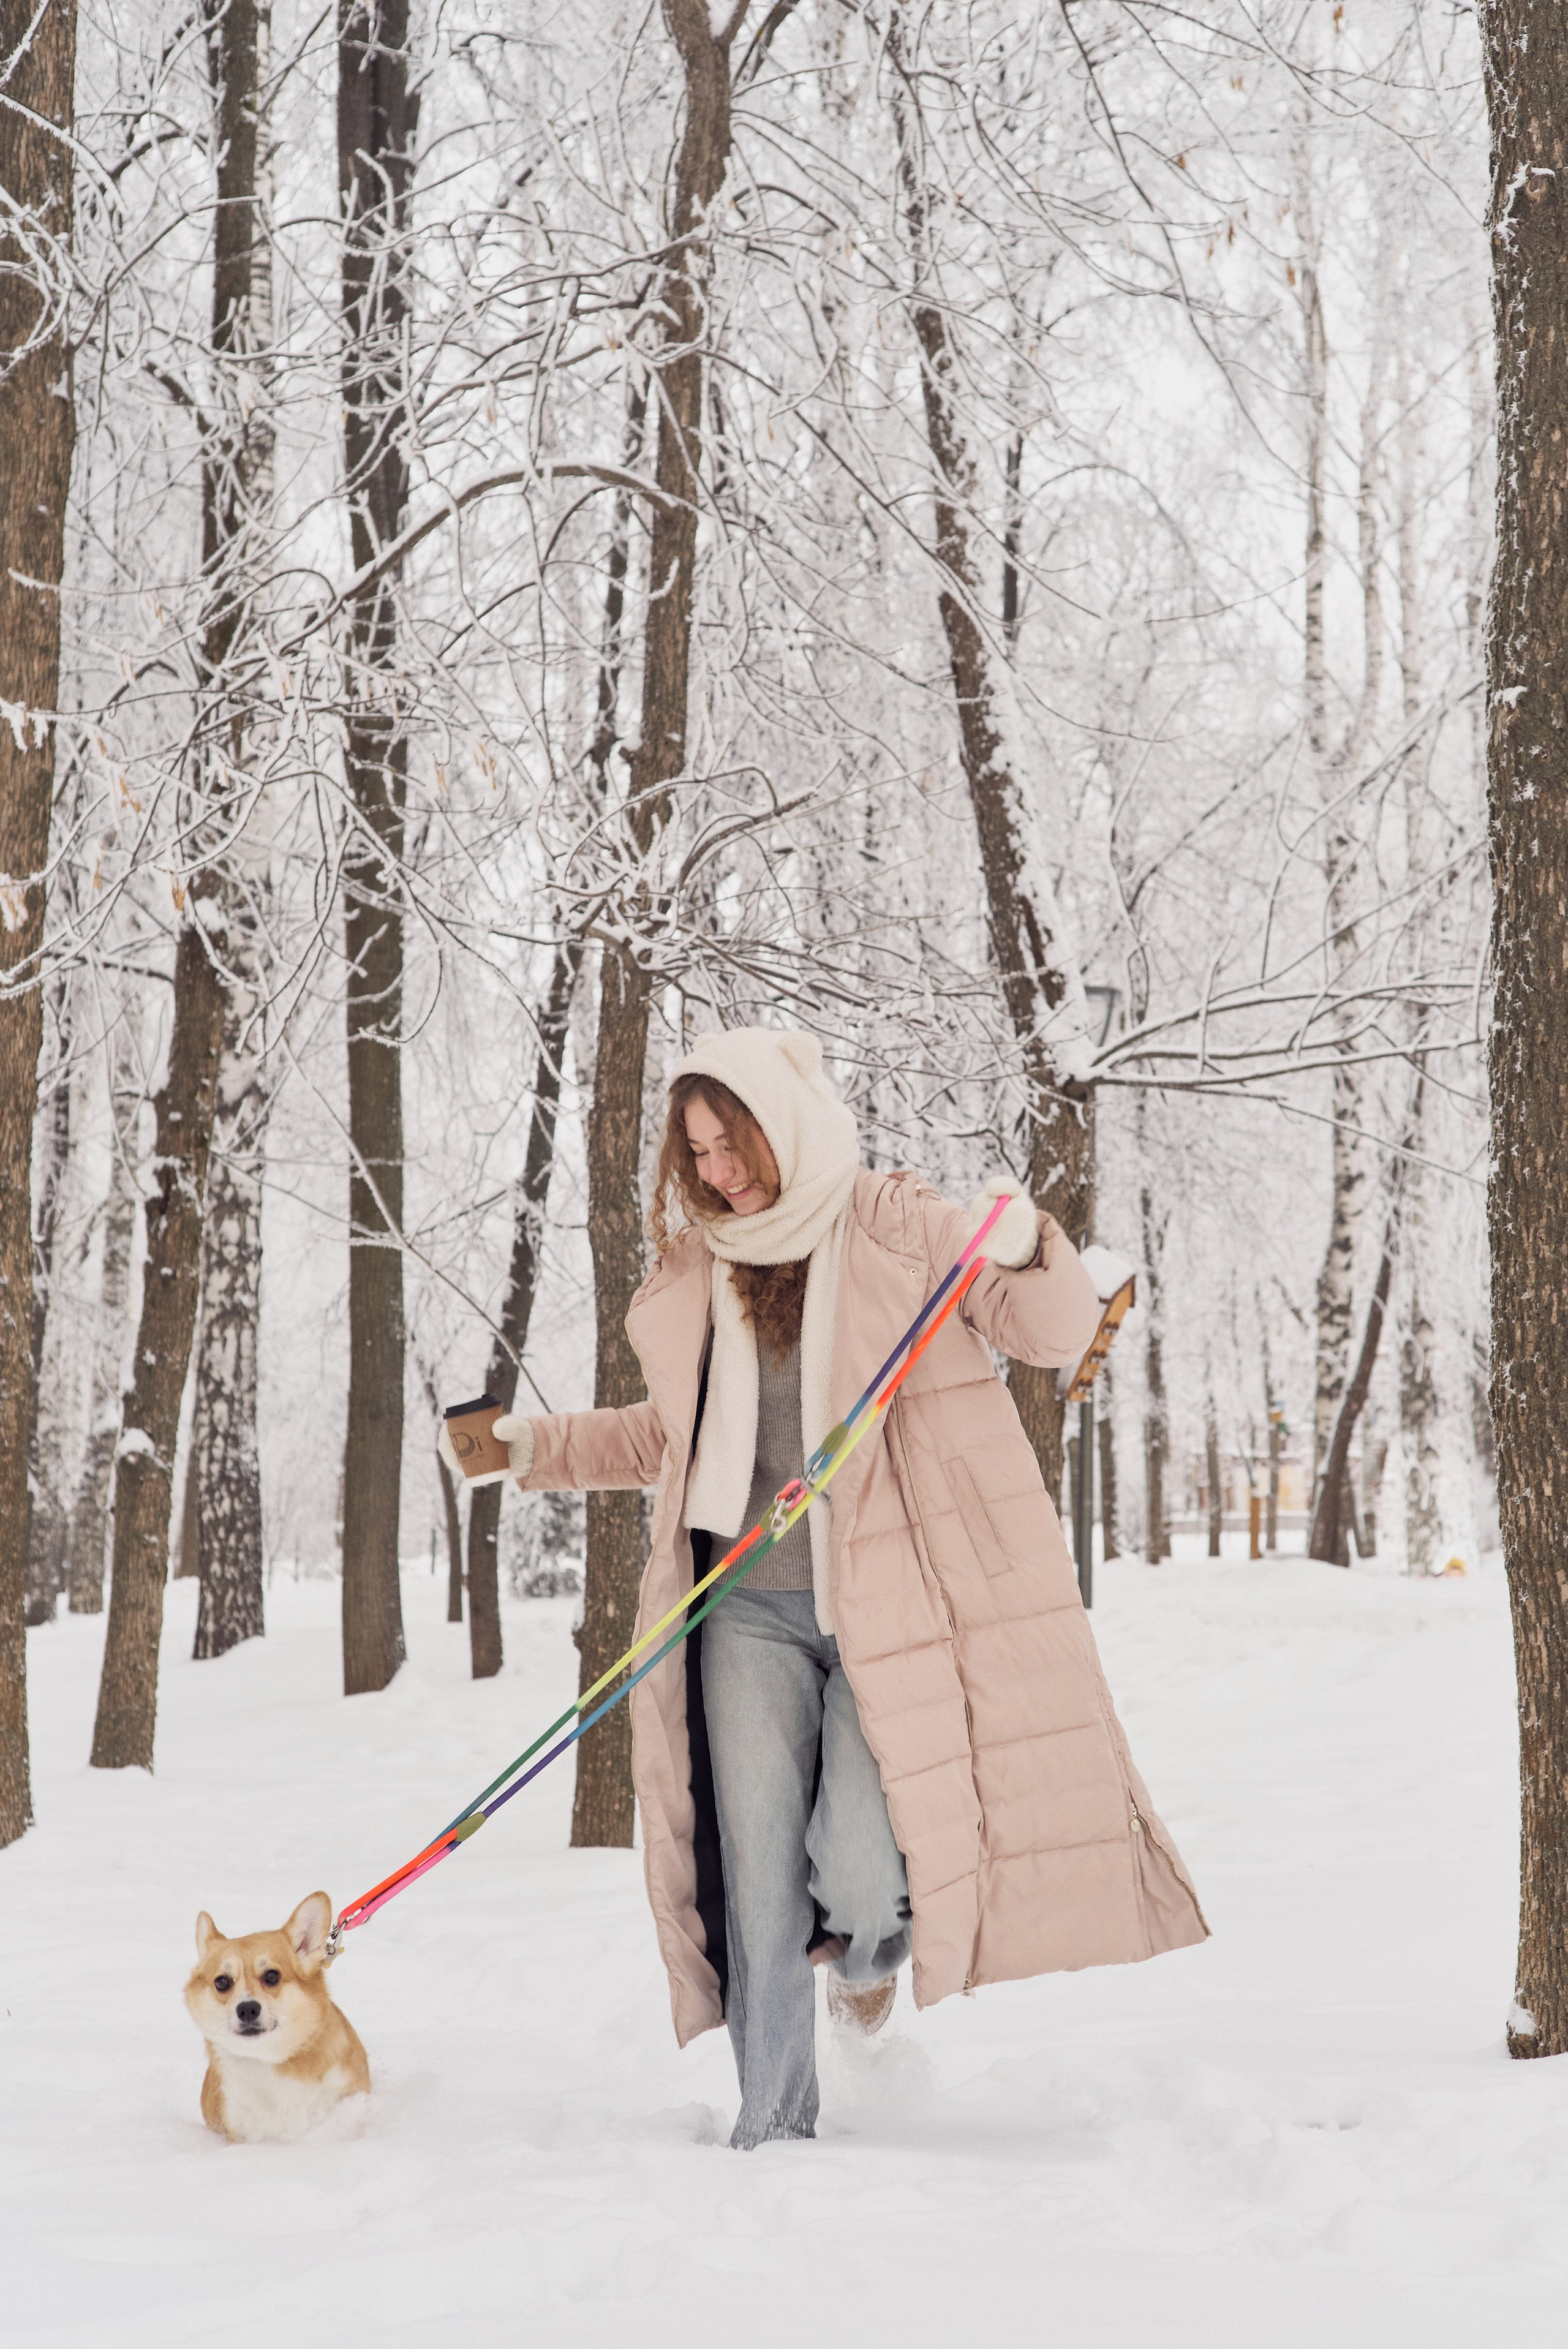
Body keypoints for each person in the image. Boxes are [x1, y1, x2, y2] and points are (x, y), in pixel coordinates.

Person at [493, 1028, 1206, 2149]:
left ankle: (870, 1964)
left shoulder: (890, 1222)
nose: (719, 1171)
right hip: (741, 1613)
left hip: (882, 1615)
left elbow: (1052, 1332)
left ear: (783, 1125)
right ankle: (771, 2130)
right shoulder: (705, 1267)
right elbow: (665, 1442)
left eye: (734, 1144)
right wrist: (536, 1447)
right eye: (699, 1153)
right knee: (761, 1878)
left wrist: (1024, 1246)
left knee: (866, 1881)